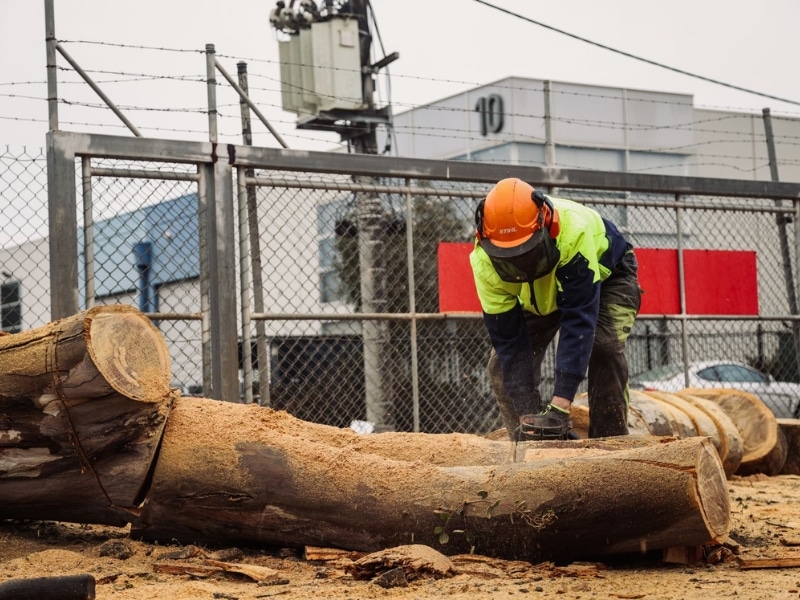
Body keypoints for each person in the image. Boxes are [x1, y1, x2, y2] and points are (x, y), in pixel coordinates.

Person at [470, 178, 642, 441]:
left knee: (604, 346)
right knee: (499, 367)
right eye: (510, 257)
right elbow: (508, 341)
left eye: (525, 252)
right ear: (485, 240)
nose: (520, 262)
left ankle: (612, 442)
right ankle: (532, 445)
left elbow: (579, 320)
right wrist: (528, 412)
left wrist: (561, 406)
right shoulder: (483, 262)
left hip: (608, 277)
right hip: (539, 294)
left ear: (548, 225)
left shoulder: (573, 233)